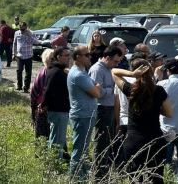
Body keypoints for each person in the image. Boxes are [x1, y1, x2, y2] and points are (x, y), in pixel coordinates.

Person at [112, 59, 172, 184]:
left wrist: (132, 74)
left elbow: (114, 72)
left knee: (135, 179)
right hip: (155, 140)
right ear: (151, 72)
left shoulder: (131, 89)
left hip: (133, 141)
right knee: (156, 178)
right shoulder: (159, 90)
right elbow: (169, 113)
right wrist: (155, 109)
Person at [68, 45, 102, 178]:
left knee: (83, 149)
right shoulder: (78, 75)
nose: (90, 56)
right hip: (82, 116)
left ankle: (80, 175)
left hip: (86, 114)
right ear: (78, 57)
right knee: (79, 149)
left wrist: (96, 88)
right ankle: (75, 177)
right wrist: (97, 88)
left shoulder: (82, 72)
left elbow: (96, 89)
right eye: (87, 55)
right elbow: (97, 93)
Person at [89, 45, 123, 177]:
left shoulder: (108, 69)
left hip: (108, 108)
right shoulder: (97, 70)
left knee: (106, 142)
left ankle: (103, 171)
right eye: (115, 61)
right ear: (107, 58)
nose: (117, 63)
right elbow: (98, 92)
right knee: (101, 143)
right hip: (101, 109)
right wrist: (112, 89)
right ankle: (98, 174)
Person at [42, 46, 71, 159]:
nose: (69, 58)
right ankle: (54, 165)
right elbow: (47, 90)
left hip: (61, 110)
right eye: (66, 56)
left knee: (58, 138)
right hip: (58, 110)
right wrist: (43, 104)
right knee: (57, 140)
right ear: (58, 57)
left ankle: (54, 162)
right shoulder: (55, 72)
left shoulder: (58, 70)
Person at [12, 22, 43, 93]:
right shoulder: (17, 33)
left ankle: (26, 87)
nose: (22, 30)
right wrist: (13, 54)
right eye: (21, 29)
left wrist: (29, 35)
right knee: (19, 71)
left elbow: (35, 42)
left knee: (28, 72)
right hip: (20, 56)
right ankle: (19, 86)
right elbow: (14, 43)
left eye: (23, 29)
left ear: (26, 27)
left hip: (28, 56)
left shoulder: (31, 33)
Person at [30, 48, 54, 139]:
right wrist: (33, 112)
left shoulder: (56, 72)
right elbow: (34, 94)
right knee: (42, 138)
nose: (53, 61)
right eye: (51, 59)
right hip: (42, 110)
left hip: (53, 109)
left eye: (54, 59)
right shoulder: (42, 75)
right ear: (46, 60)